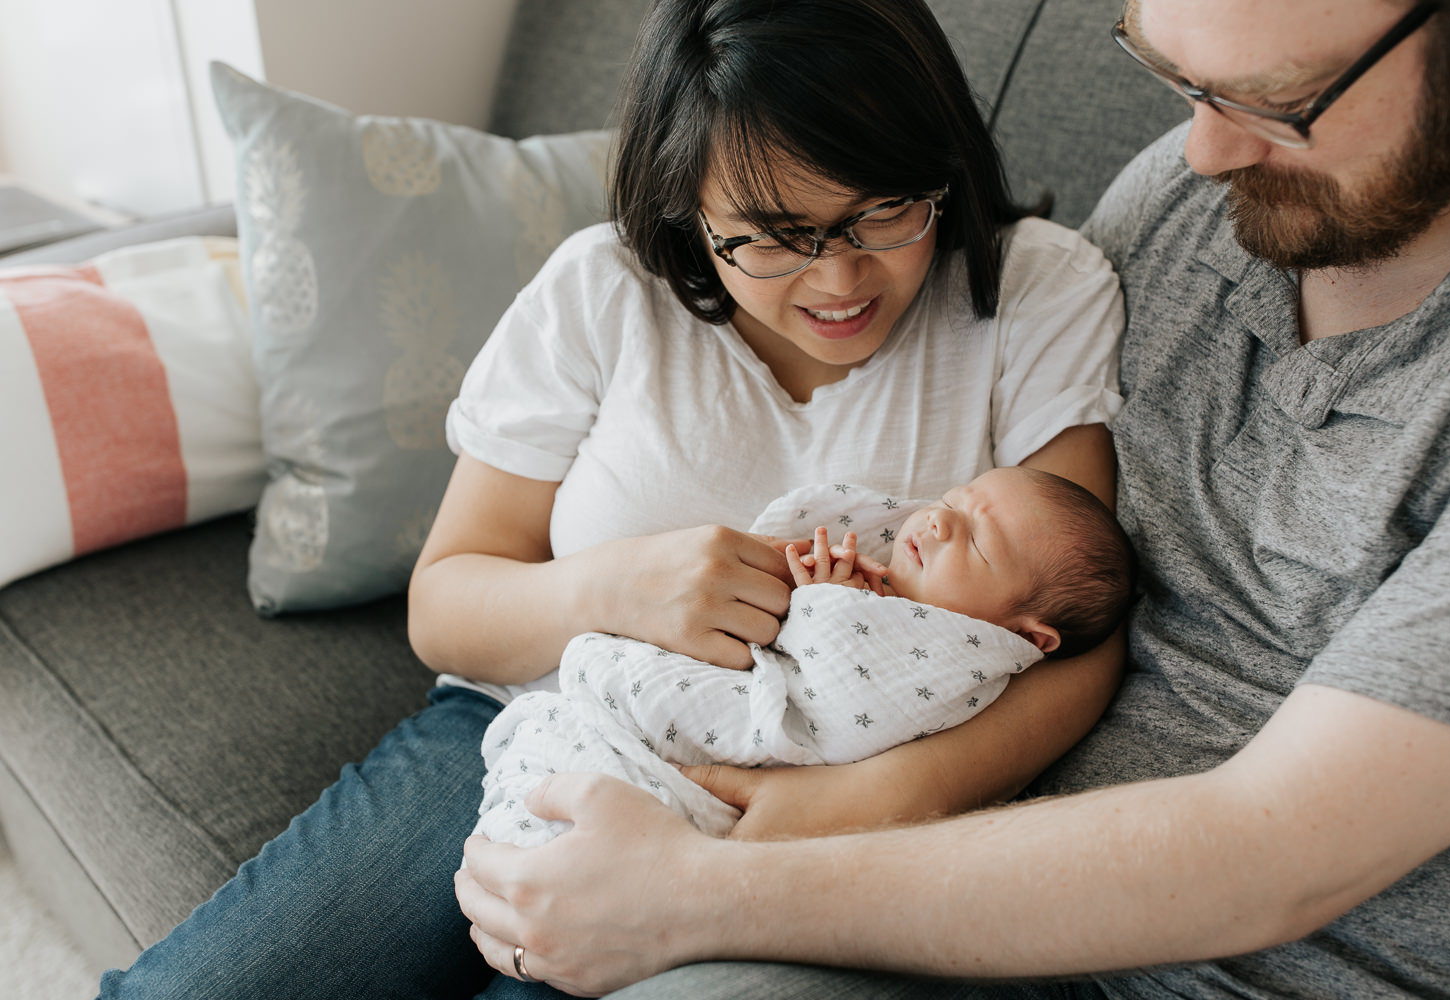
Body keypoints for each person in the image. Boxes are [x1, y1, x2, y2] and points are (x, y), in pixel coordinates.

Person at [453, 0, 1450, 997]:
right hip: (941, 893)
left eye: (1279, 100)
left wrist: (700, 889)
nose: (1200, 154)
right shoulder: (1194, 202)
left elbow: (1279, 851)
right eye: (1178, 80)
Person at [95, 1, 1126, 997]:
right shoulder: (602, 293)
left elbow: (1080, 639)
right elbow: (444, 604)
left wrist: (856, 803)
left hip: (796, 787)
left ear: (937, 163)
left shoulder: (1037, 294)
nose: (840, 280)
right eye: (771, 237)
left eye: (883, 212)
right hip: (535, 720)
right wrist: (614, 583)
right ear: (690, 208)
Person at [474, 469, 1134, 848]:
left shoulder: (962, 660)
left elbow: (842, 708)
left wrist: (829, 609)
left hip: (727, 788)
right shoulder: (892, 579)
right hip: (513, 696)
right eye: (953, 504)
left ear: (1029, 636)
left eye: (976, 544)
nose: (936, 524)